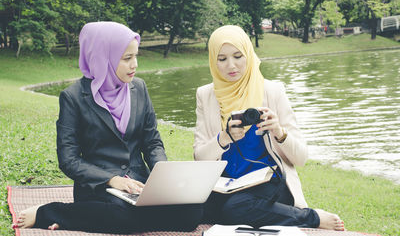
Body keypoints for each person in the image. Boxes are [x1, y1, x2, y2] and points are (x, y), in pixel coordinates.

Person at [13, 21, 203, 233]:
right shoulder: (73, 97)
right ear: (103, 57)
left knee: (192, 214)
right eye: (127, 58)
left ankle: (83, 217)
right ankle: (50, 212)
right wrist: (112, 180)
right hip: (99, 188)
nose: (135, 65)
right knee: (122, 218)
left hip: (140, 185)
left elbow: (152, 142)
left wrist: (162, 174)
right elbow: (69, 160)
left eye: (136, 56)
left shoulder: (139, 88)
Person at [193, 25, 345, 231]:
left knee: (235, 209)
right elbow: (200, 157)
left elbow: (301, 158)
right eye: (222, 59)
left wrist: (279, 132)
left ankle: (312, 218)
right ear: (213, 60)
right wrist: (224, 138)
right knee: (191, 209)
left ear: (248, 53)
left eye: (238, 56)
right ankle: (259, 213)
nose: (232, 65)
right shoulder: (205, 95)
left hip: (267, 183)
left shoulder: (272, 91)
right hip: (225, 186)